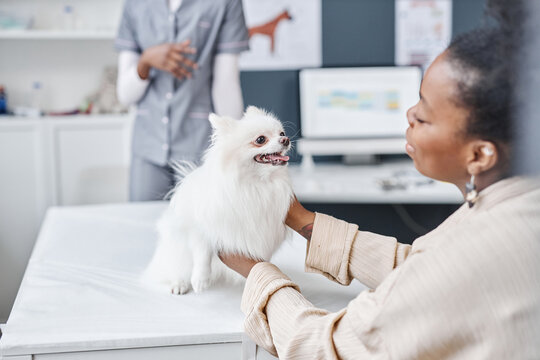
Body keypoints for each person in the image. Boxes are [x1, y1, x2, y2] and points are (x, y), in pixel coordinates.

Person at [219, 4, 540, 359]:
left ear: (480, 155)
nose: (410, 114)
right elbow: (416, 270)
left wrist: (258, 272)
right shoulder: (517, 207)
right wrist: (302, 220)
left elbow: (323, 348)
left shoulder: (471, 254)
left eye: (425, 113)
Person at [115, 0, 249, 201]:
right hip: (147, 148)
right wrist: (146, 61)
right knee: (142, 225)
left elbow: (226, 86)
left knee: (204, 226)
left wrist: (239, 147)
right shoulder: (135, 5)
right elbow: (125, 96)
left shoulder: (225, 4)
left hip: (202, 149)